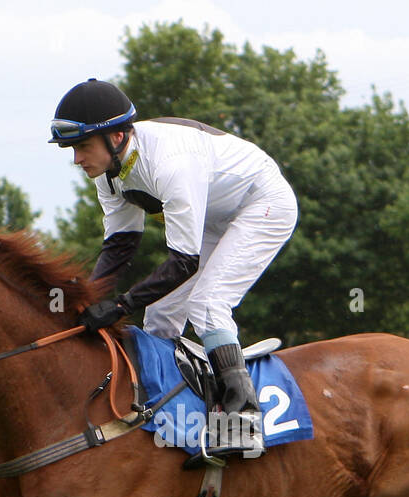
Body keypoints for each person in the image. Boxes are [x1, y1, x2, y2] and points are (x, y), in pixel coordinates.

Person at [49, 78, 298, 459]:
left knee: (208, 305)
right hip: (214, 220)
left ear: (116, 138)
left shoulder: (170, 162)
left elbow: (184, 261)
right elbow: (120, 246)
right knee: (160, 317)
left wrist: (118, 306)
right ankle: (170, 416)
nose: (77, 159)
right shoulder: (111, 173)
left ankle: (242, 420)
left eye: (82, 147)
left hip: (262, 205)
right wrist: (87, 301)